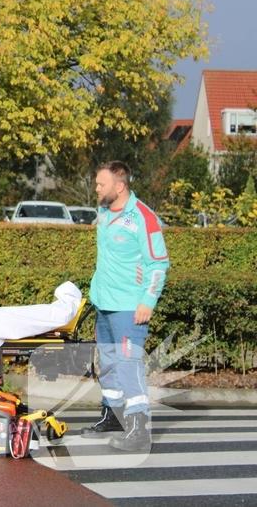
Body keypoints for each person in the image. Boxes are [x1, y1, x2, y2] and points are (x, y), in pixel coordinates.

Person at [82, 160, 169, 452]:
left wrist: (148, 300)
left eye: (100, 184)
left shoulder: (144, 217)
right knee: (107, 366)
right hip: (104, 306)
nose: (96, 188)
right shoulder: (104, 213)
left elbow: (158, 263)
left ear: (119, 186)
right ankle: (114, 415)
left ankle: (139, 429)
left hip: (130, 309)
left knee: (128, 367)